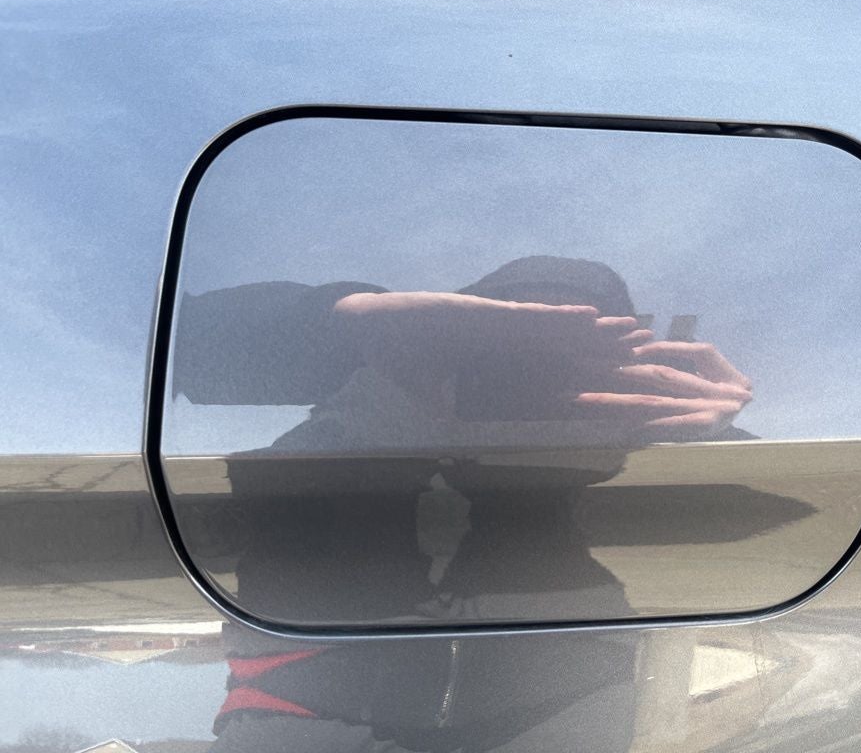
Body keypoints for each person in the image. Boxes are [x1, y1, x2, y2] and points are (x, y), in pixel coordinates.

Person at [174, 256, 753, 751]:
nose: (527, 380)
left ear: (625, 365)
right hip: (304, 699)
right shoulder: (366, 414)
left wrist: (710, 438)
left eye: (564, 358)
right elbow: (182, 345)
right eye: (501, 353)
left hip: (565, 699)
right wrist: (363, 343)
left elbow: (748, 539)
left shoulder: (623, 444)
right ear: (450, 342)